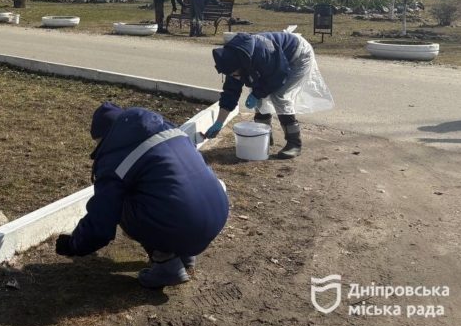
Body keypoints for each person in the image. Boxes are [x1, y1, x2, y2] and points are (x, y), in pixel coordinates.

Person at [54, 102, 230, 288]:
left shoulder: (116, 157)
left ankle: (167, 266)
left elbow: (102, 220)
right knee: (168, 191)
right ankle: (185, 255)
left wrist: (74, 244)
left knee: (122, 203)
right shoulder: (170, 130)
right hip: (217, 211)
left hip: (182, 222)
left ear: (105, 137)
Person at [203, 31, 334, 159]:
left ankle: (294, 143)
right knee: (259, 96)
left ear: (241, 65)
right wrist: (219, 123)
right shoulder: (233, 62)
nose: (234, 77)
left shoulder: (262, 53)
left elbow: (278, 77)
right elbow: (230, 93)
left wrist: (257, 93)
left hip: (298, 55)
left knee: (279, 96)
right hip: (277, 61)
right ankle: (264, 137)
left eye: (235, 74)